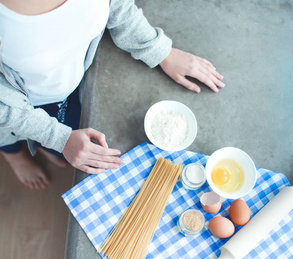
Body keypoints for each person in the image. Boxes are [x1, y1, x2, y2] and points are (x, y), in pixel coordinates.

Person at [0, 0, 225, 190]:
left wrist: (160, 50)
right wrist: (57, 138)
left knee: (67, 129)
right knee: (15, 136)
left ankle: (37, 145)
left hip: (70, 82)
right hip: (19, 103)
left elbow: (117, 6)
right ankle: (13, 154)